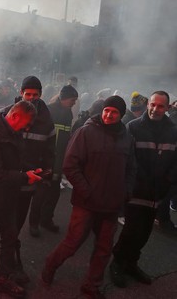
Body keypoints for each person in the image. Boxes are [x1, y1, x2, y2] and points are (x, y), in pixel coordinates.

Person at [42, 96, 136, 299]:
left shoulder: (127, 138)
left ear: (121, 115)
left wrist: (125, 192)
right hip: (86, 203)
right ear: (101, 111)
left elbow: (131, 169)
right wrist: (87, 191)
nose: (109, 115)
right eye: (106, 110)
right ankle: (50, 265)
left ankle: (91, 286)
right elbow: (70, 165)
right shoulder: (86, 132)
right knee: (72, 242)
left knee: (103, 249)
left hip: (111, 205)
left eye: (114, 112)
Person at [0, 100, 42, 299]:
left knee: (10, 239)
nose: (27, 128)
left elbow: (16, 160)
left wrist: (30, 170)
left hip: (8, 196)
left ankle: (3, 278)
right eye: (26, 123)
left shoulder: (13, 131)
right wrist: (23, 176)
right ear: (15, 116)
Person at [110, 91, 177, 288]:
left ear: (167, 108)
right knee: (131, 230)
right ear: (148, 104)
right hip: (137, 190)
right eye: (153, 105)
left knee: (145, 231)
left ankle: (131, 263)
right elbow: (126, 159)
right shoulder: (133, 127)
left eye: (161, 106)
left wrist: (169, 180)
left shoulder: (173, 131)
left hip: (158, 192)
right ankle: (117, 263)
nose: (156, 109)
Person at [0, 76, 55, 283]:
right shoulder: (7, 113)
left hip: (29, 181)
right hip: (8, 178)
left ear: (41, 95)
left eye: (35, 95)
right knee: (6, 223)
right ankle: (10, 263)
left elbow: (50, 150)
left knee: (17, 221)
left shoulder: (46, 120)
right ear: (21, 93)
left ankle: (11, 260)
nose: (31, 98)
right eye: (28, 94)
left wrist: (48, 174)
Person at [29, 85, 77, 235]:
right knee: (41, 193)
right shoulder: (48, 110)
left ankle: (46, 219)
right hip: (46, 158)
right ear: (64, 98)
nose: (74, 103)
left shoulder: (68, 112)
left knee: (54, 192)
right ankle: (33, 224)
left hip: (59, 157)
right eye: (72, 100)